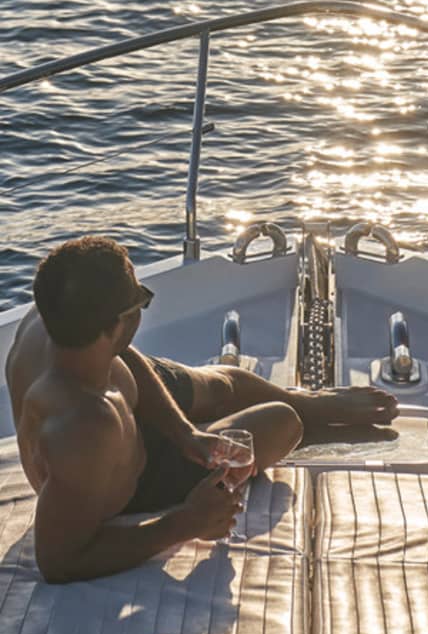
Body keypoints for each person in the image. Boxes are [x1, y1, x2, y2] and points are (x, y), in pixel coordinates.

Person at [5, 235, 399, 583]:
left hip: (121, 389)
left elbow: (120, 352)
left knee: (227, 381)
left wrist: (184, 432)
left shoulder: (54, 318)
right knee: (281, 422)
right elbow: (58, 562)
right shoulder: (82, 430)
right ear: (121, 322)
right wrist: (185, 522)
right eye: (140, 301)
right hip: (126, 477)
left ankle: (305, 400)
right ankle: (292, 410)